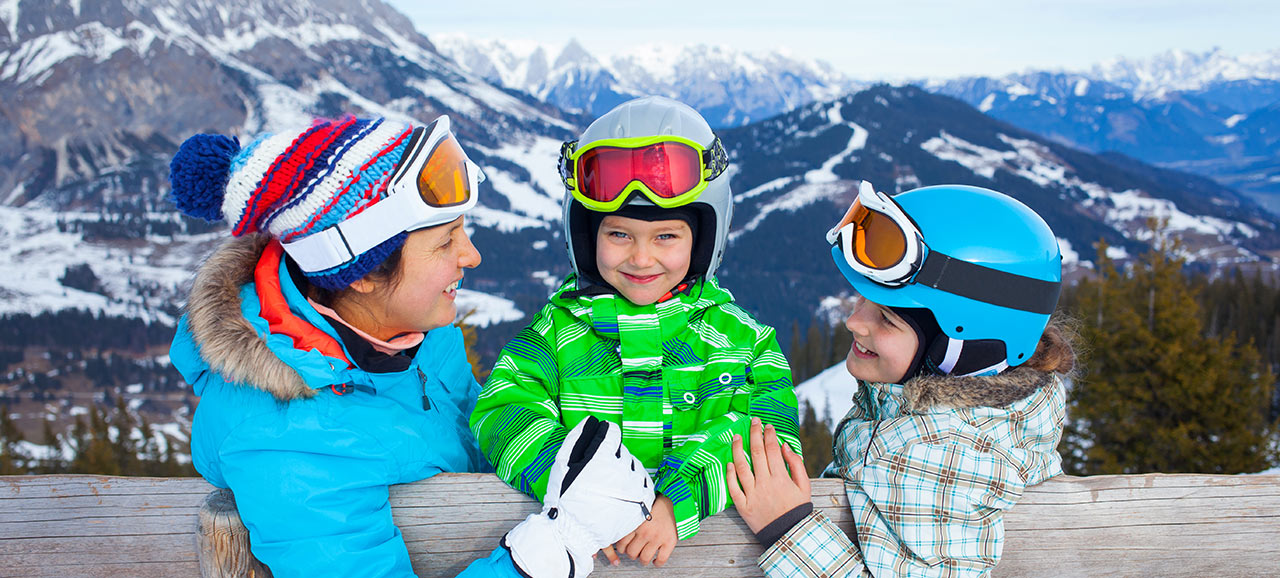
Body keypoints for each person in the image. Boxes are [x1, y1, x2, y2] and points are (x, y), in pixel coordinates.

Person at [168, 115, 652, 578]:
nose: (472, 256)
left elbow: (474, 427)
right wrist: (558, 544)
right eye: (445, 243)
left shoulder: (412, 329)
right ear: (361, 276)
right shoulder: (288, 444)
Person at [470, 96, 802, 568]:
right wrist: (583, 490)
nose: (641, 259)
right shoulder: (558, 335)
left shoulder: (743, 343)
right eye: (618, 235)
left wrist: (674, 500)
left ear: (704, 239)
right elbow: (500, 412)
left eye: (666, 236)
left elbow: (768, 436)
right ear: (586, 236)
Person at [727, 181, 1077, 577]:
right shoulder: (983, 417)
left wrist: (786, 526)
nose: (853, 321)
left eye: (888, 319)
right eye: (862, 300)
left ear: (959, 348)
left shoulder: (938, 454)